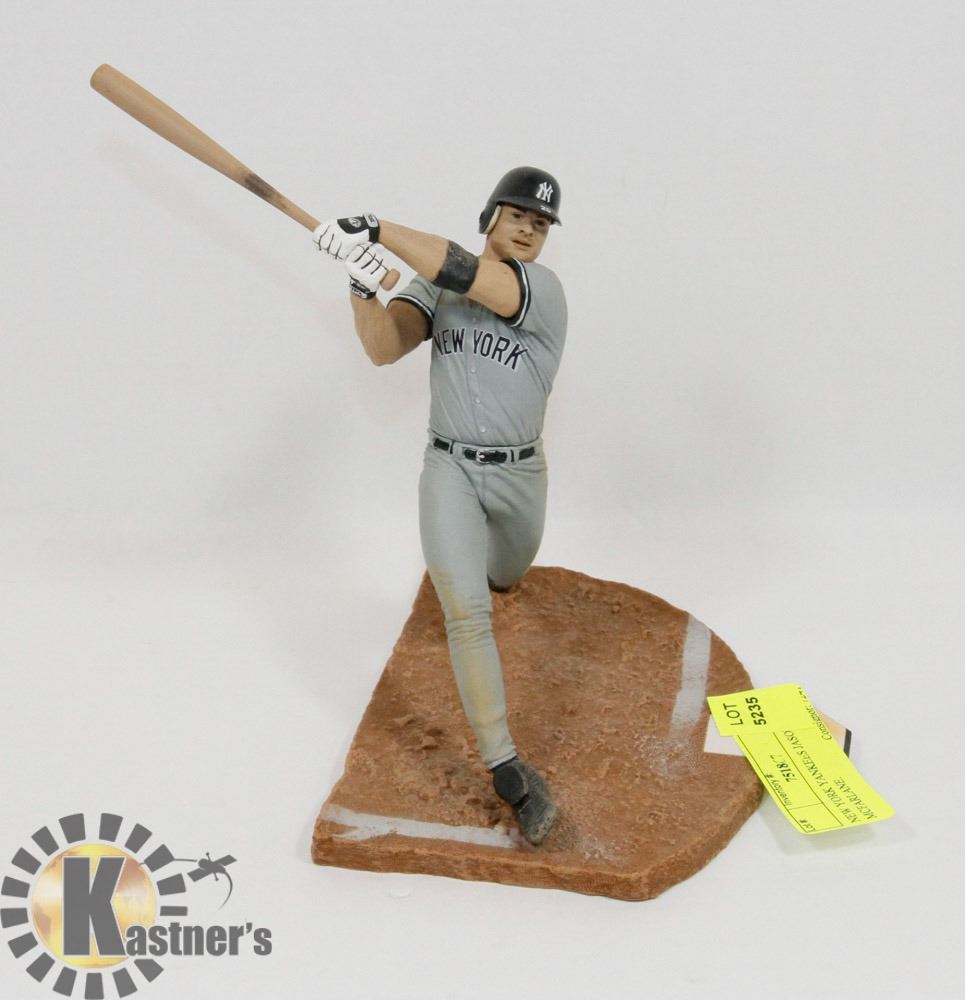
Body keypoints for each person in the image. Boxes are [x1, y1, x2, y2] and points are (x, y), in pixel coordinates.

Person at [313, 167, 567, 845]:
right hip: (449, 467)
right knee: (466, 613)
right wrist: (361, 285)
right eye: (517, 215)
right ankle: (506, 766)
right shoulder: (435, 288)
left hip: (520, 475)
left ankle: (493, 572)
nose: (527, 229)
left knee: (506, 574)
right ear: (490, 216)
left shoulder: (541, 289)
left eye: (540, 223)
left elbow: (462, 269)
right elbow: (383, 348)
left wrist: (376, 229)